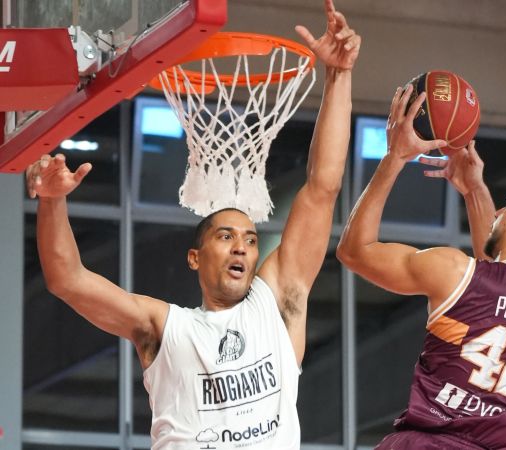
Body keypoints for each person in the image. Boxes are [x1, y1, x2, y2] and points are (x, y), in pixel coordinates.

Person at [24, 1, 360, 448]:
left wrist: (338, 75)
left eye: (250, 239)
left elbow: (322, 187)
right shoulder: (165, 328)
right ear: (194, 257)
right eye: (226, 236)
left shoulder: (278, 302)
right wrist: (52, 203)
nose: (242, 247)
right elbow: (67, 279)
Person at [336, 85, 506, 449]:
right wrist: (473, 190)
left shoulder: (453, 270)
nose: (497, 212)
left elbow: (355, 251)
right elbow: (499, 283)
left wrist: (395, 157)